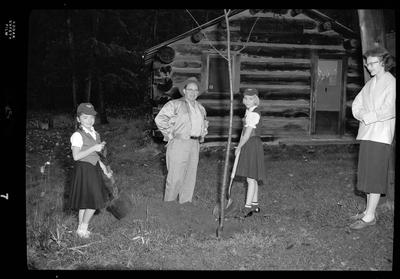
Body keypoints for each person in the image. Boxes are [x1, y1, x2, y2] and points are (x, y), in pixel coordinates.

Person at [350, 47, 396, 230]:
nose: (368, 66)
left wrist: (367, 116)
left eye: (372, 63)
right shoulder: (371, 83)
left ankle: (369, 217)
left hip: (380, 135)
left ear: (383, 62)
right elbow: (356, 103)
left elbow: (389, 109)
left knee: (375, 176)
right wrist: (361, 114)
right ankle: (369, 210)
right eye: (367, 63)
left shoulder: (391, 83)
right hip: (368, 133)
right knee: (368, 174)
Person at [155, 77, 209, 204]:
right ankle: (169, 206)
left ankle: (185, 206)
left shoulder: (200, 108)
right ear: (184, 91)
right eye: (190, 89)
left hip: (194, 145)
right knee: (175, 177)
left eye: (195, 90)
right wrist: (169, 135)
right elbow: (160, 119)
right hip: (179, 143)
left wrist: (202, 133)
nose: (193, 92)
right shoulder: (175, 104)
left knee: (190, 177)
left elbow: (205, 123)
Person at [68, 103, 112, 238]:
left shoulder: (95, 133)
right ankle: (83, 227)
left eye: (92, 117)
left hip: (94, 167)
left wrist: (103, 167)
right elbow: (76, 156)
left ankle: (80, 230)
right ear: (78, 119)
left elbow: (96, 155)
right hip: (84, 169)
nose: (89, 120)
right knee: (93, 200)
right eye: (85, 117)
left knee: (85, 201)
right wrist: (94, 148)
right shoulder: (78, 135)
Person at [233, 88, 266, 218]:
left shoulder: (254, 114)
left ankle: (247, 209)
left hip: (251, 144)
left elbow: (246, 136)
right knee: (252, 176)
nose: (247, 101)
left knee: (250, 178)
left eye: (251, 98)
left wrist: (238, 147)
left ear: (256, 99)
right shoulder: (249, 111)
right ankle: (255, 205)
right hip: (250, 143)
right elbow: (243, 133)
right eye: (246, 98)